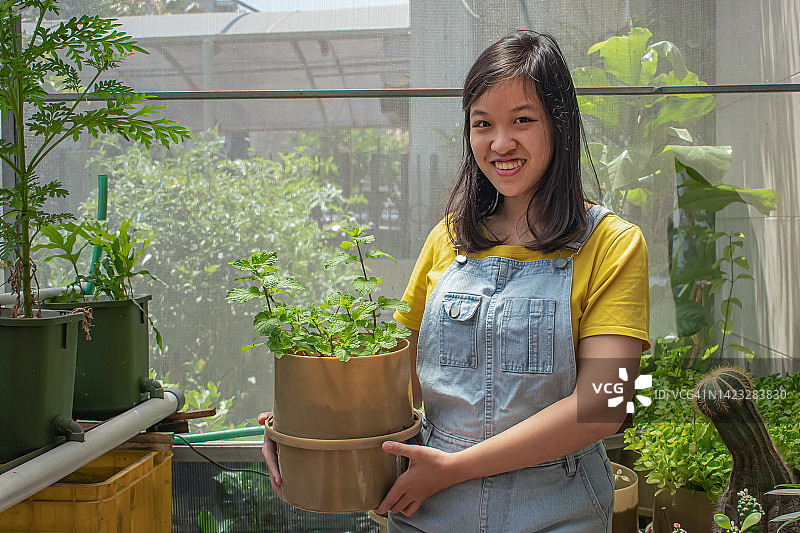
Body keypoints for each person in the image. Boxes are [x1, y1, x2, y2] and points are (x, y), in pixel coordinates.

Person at [261, 30, 650, 533]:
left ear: (561, 124)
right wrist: (298, 426)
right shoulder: (449, 238)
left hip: (557, 511)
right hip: (426, 510)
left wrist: (453, 469)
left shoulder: (613, 245)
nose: (500, 142)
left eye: (523, 121)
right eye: (482, 123)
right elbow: (394, 378)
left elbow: (603, 407)